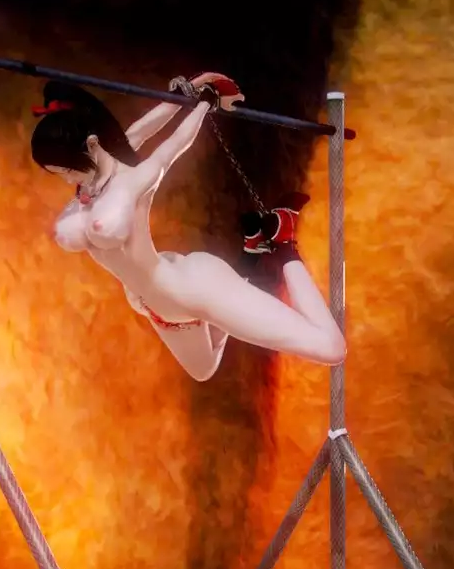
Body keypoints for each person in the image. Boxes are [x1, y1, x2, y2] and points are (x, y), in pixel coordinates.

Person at [29, 75, 346, 382]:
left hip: (194, 289)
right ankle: (251, 254)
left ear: (92, 144)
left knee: (331, 349)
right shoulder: (91, 181)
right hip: (156, 305)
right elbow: (141, 129)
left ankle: (283, 241)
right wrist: (181, 96)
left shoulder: (133, 180)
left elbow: (175, 144)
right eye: (59, 173)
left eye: (69, 169)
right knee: (203, 370)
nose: (68, 179)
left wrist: (204, 101)